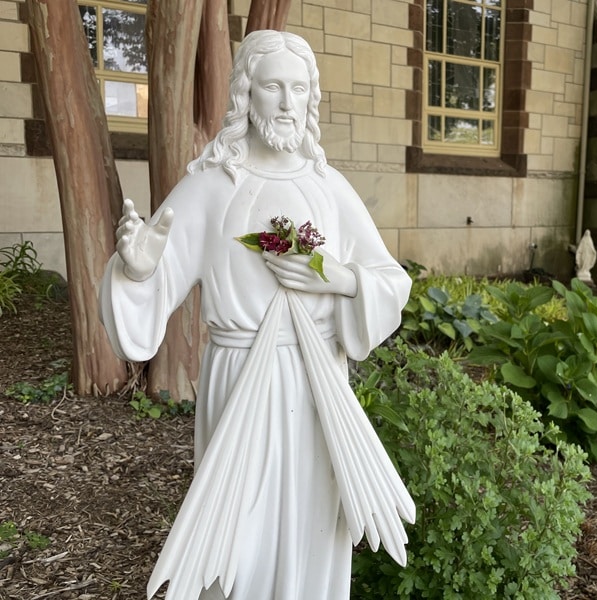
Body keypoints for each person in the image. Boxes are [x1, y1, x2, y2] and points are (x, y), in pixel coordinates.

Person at [100, 30, 414, 600]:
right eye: (274, 86)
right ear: (248, 93)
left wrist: (339, 277)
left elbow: (391, 281)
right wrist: (141, 270)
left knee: (313, 523)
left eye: (299, 88)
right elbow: (159, 273)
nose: (289, 102)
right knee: (237, 532)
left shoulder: (328, 187)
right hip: (241, 376)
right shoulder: (212, 185)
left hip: (319, 386)